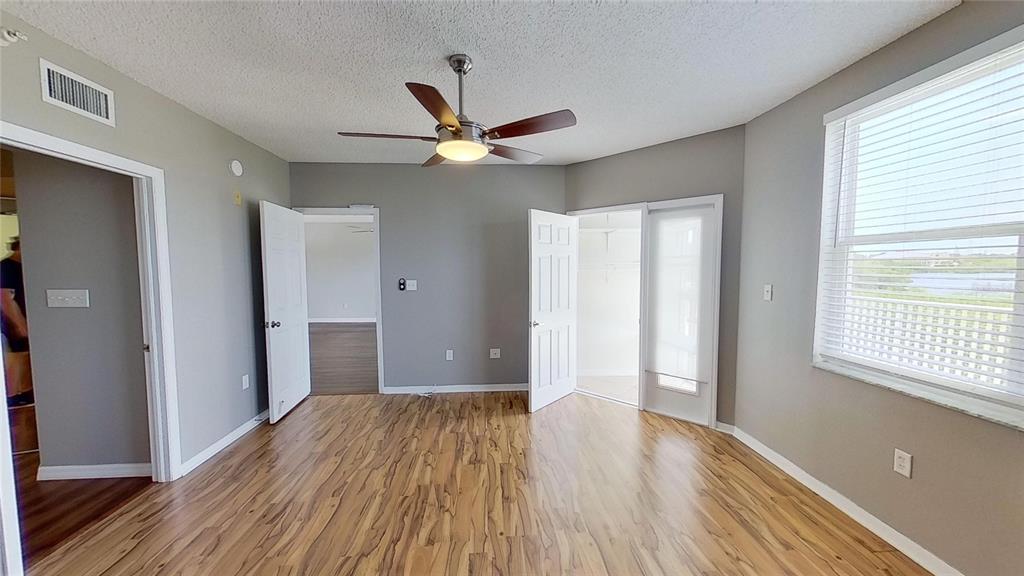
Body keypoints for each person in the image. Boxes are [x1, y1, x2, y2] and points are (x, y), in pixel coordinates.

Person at [1, 237, 33, 406]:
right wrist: (20, 325)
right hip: (12, 322)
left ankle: (25, 393)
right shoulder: (6, 267)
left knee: (27, 356)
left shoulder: (23, 267)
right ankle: (11, 395)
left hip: (25, 320)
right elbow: (5, 299)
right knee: (16, 357)